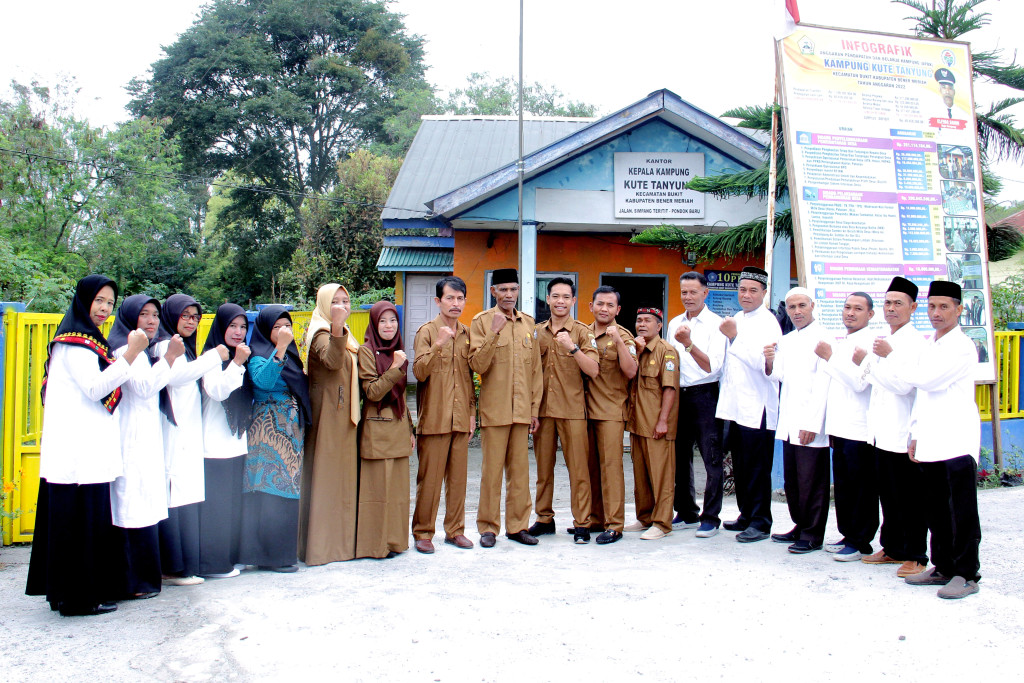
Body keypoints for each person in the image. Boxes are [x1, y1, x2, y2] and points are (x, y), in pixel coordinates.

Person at [26, 275, 148, 617]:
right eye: (99, 301)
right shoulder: (75, 344)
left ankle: (69, 594)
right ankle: (78, 599)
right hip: (78, 454)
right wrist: (132, 355)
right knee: (79, 526)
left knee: (76, 525)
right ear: (83, 301)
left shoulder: (86, 341)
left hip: (83, 451)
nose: (105, 309)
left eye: (110, 303)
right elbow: (96, 388)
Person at [900, 281, 982, 599]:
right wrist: (916, 434)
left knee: (961, 510)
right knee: (935, 509)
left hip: (957, 440)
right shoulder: (931, 345)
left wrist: (891, 361)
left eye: (944, 306)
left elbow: (927, 380)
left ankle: (967, 574)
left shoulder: (961, 347)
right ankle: (944, 567)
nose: (937, 313)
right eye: (932, 306)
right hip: (932, 438)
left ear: (959, 310)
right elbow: (922, 396)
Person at [108, 295, 185, 599]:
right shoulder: (127, 350)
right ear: (130, 319)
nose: (152, 321)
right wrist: (169, 359)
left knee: (142, 506)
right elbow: (142, 388)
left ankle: (142, 580)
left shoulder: (140, 350)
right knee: (130, 507)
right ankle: (132, 583)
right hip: (131, 439)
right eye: (144, 315)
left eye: (155, 315)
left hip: (143, 438)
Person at [856, 277, 929, 578]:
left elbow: (902, 385)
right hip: (880, 433)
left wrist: (874, 364)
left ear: (913, 307)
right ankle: (892, 547)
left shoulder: (913, 343)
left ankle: (916, 555)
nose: (891, 308)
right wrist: (875, 365)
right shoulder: (886, 338)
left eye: (898, 303)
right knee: (889, 495)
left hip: (902, 433)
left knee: (910, 498)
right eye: (887, 303)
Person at [153, 294, 226, 587]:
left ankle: (185, 565)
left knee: (186, 499)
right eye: (185, 316)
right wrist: (213, 357)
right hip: (174, 433)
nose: (191, 322)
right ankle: (172, 568)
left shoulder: (185, 348)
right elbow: (177, 377)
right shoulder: (165, 345)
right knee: (175, 499)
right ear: (172, 316)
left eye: (195, 317)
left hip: (188, 434)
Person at [469, 268, 543, 548]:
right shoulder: (481, 322)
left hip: (522, 411)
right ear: (493, 292)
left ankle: (518, 526)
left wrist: (534, 409)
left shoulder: (528, 324)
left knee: (520, 473)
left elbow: (536, 370)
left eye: (513, 289)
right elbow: (477, 365)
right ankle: (488, 528)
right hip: (495, 411)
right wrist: (494, 333)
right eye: (503, 290)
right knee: (491, 473)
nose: (509, 295)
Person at [528, 277, 600, 543]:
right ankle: (544, 518)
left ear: (573, 301)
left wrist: (572, 348)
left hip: (572, 410)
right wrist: (531, 410)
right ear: (548, 299)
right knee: (543, 471)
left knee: (578, 470)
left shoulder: (582, 331)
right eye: (555, 296)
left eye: (565, 297)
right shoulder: (536, 332)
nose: (560, 301)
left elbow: (593, 370)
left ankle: (582, 523)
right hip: (544, 411)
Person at [241, 306, 310, 572]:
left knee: (288, 487)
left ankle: (283, 554)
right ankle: (264, 555)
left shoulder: (292, 356)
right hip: (267, 429)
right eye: (277, 327)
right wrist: (280, 349)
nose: (284, 331)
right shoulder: (257, 354)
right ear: (264, 330)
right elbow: (263, 382)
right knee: (266, 487)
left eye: (287, 326)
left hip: (291, 431)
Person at [715, 266, 782, 543]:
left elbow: (763, 364)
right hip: (736, 408)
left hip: (759, 409)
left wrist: (733, 337)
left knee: (756, 468)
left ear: (764, 293)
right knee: (740, 466)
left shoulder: (769, 322)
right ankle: (745, 514)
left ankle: (760, 521)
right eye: (742, 289)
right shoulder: (738, 318)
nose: (746, 294)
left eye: (753, 290)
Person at [764, 288, 831, 554]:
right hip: (790, 420)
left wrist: (813, 424)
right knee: (793, 480)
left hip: (810, 423)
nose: (797, 312)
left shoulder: (823, 338)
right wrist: (769, 361)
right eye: (792, 307)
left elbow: (824, 384)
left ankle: (813, 533)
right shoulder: (788, 339)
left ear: (812, 305)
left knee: (812, 482)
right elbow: (778, 376)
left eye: (802, 306)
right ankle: (799, 525)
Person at [411, 276, 476, 553]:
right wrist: (437, 344)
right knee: (430, 480)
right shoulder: (426, 332)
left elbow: (469, 377)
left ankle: (455, 530)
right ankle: (423, 532)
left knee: (458, 481)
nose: (455, 303)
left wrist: (473, 414)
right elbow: (418, 373)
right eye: (450, 298)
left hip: (461, 418)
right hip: (434, 419)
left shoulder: (467, 334)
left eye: (460, 298)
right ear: (438, 301)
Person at [299, 283, 361, 565]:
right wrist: (337, 326)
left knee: (342, 481)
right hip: (328, 417)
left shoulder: (347, 336)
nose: (342, 307)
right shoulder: (320, 333)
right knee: (325, 480)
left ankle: (342, 545)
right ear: (324, 304)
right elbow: (333, 361)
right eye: (335, 302)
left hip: (343, 417)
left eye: (345, 301)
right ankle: (321, 548)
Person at [815, 293, 877, 562]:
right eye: (847, 307)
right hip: (840, 427)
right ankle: (847, 533)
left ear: (870, 314)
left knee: (861, 486)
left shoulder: (872, 343)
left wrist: (829, 358)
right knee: (843, 486)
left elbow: (859, 383)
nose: (850, 313)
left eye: (858, 309)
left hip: (859, 428)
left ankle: (860, 540)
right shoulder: (845, 340)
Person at [666, 272, 727, 538]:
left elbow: (713, 366)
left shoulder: (718, 324)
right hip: (680, 394)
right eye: (683, 292)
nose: (687, 297)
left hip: (706, 394)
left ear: (705, 293)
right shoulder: (674, 322)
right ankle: (686, 511)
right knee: (679, 456)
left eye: (693, 292)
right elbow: (670, 360)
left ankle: (711, 517)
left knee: (711, 457)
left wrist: (688, 344)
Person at [198, 303, 252, 578]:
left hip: (235, 442)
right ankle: (212, 563)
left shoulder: (239, 355)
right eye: (233, 326)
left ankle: (229, 558)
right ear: (221, 326)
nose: (238, 332)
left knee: (232, 505)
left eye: (243, 326)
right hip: (214, 444)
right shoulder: (212, 356)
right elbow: (217, 391)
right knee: (216, 508)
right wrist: (237, 364)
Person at [356, 301, 413, 559]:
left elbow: (402, 396)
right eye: (383, 321)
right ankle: (375, 546)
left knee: (399, 493)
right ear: (374, 324)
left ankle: (396, 542)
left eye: (393, 320)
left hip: (399, 427)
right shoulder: (366, 351)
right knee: (377, 491)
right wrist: (393, 369)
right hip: (377, 427)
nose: (389, 326)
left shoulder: (397, 350)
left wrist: (411, 429)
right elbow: (372, 391)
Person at [584, 286, 637, 545]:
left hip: (610, 411)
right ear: (590, 306)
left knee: (611, 468)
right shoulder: (582, 333)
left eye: (609, 305)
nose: (604, 309)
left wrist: (617, 341)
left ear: (618, 310)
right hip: (584, 411)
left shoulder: (624, 336)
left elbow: (631, 371)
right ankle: (596, 518)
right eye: (600, 304)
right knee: (590, 468)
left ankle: (615, 524)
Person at [623, 307, 679, 540]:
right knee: (641, 476)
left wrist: (663, 421)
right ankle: (644, 517)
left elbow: (669, 388)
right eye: (639, 320)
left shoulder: (666, 352)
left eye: (648, 321)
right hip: (638, 424)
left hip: (657, 425)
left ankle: (662, 522)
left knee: (661, 476)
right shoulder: (636, 350)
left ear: (659, 325)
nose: (642, 324)